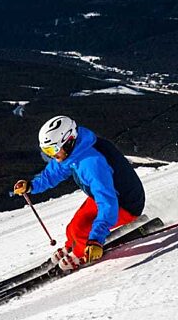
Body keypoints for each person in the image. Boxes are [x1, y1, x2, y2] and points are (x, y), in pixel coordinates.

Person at [13, 115, 145, 270]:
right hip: (106, 196)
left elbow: (108, 202)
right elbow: (55, 172)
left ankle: (80, 253)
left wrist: (96, 239)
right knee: (72, 227)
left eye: (53, 150)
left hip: (125, 204)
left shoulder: (91, 163)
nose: (51, 155)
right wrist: (32, 186)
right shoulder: (75, 151)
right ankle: (72, 245)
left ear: (68, 141)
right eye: (47, 151)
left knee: (81, 229)